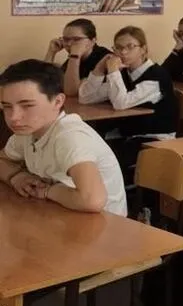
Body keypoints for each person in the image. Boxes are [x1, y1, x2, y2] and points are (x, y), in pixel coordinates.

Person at [0, 59, 127, 215]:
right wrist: (17, 177)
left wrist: (47, 190)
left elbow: (92, 200)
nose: (13, 117)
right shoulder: (28, 131)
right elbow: (2, 160)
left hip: (104, 223)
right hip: (60, 213)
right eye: (6, 106)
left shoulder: (70, 136)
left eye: (27, 105)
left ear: (58, 101)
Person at [79, 26, 178, 142]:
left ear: (143, 49)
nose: (123, 52)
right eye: (118, 48)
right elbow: (86, 98)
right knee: (86, 141)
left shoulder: (156, 77)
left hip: (154, 138)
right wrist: (99, 69)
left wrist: (113, 71)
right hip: (128, 135)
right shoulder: (123, 74)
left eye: (130, 47)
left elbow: (120, 103)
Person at [43, 18, 111, 97]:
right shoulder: (75, 58)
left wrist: (74, 56)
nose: (69, 44)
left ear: (92, 41)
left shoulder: (105, 58)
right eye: (66, 39)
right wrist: (51, 52)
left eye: (76, 39)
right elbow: (45, 83)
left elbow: (71, 92)